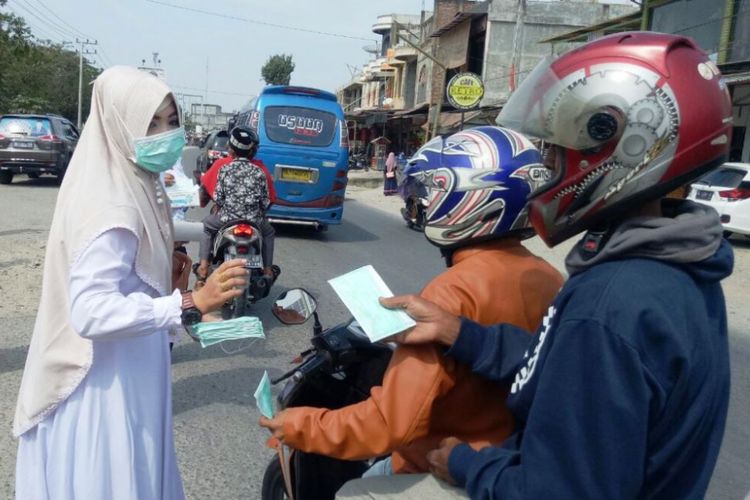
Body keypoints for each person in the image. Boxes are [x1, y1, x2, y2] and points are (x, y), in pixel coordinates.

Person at [337, 32, 734, 499]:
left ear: (618, 148)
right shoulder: (679, 268)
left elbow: (560, 490)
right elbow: (569, 371)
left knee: (353, 494)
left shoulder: (610, 304)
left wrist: (467, 463)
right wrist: (459, 333)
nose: (546, 169)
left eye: (555, 150)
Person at [259, 126, 563, 477]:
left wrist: (301, 424)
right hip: (511, 460)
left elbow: (390, 424)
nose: (421, 203)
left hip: (438, 465)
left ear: (468, 197)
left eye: (431, 191)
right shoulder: (550, 277)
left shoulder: (451, 293)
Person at [12, 66, 249, 500]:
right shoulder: (112, 203)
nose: (166, 134)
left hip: (127, 370)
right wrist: (190, 301)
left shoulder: (127, 179)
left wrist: (162, 281)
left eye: (171, 121)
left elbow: (123, 275)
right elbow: (91, 310)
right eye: (150, 123)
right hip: (103, 386)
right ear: (120, 127)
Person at [196, 126, 277, 283]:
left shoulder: (224, 168)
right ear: (252, 151)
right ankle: (267, 270)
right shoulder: (260, 171)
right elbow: (267, 201)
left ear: (230, 150)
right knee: (269, 233)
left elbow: (218, 198)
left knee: (205, 228)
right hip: (254, 221)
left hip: (226, 219)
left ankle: (203, 267)